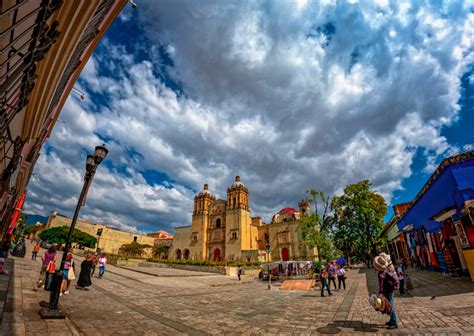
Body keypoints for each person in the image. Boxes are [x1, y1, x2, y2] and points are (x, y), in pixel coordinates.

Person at [374, 254, 399, 329]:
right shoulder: (386, 270)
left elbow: (381, 285)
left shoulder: (380, 274)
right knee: (390, 305)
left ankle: (394, 322)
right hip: (390, 290)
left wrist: (381, 293)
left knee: (390, 306)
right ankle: (392, 320)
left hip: (387, 291)